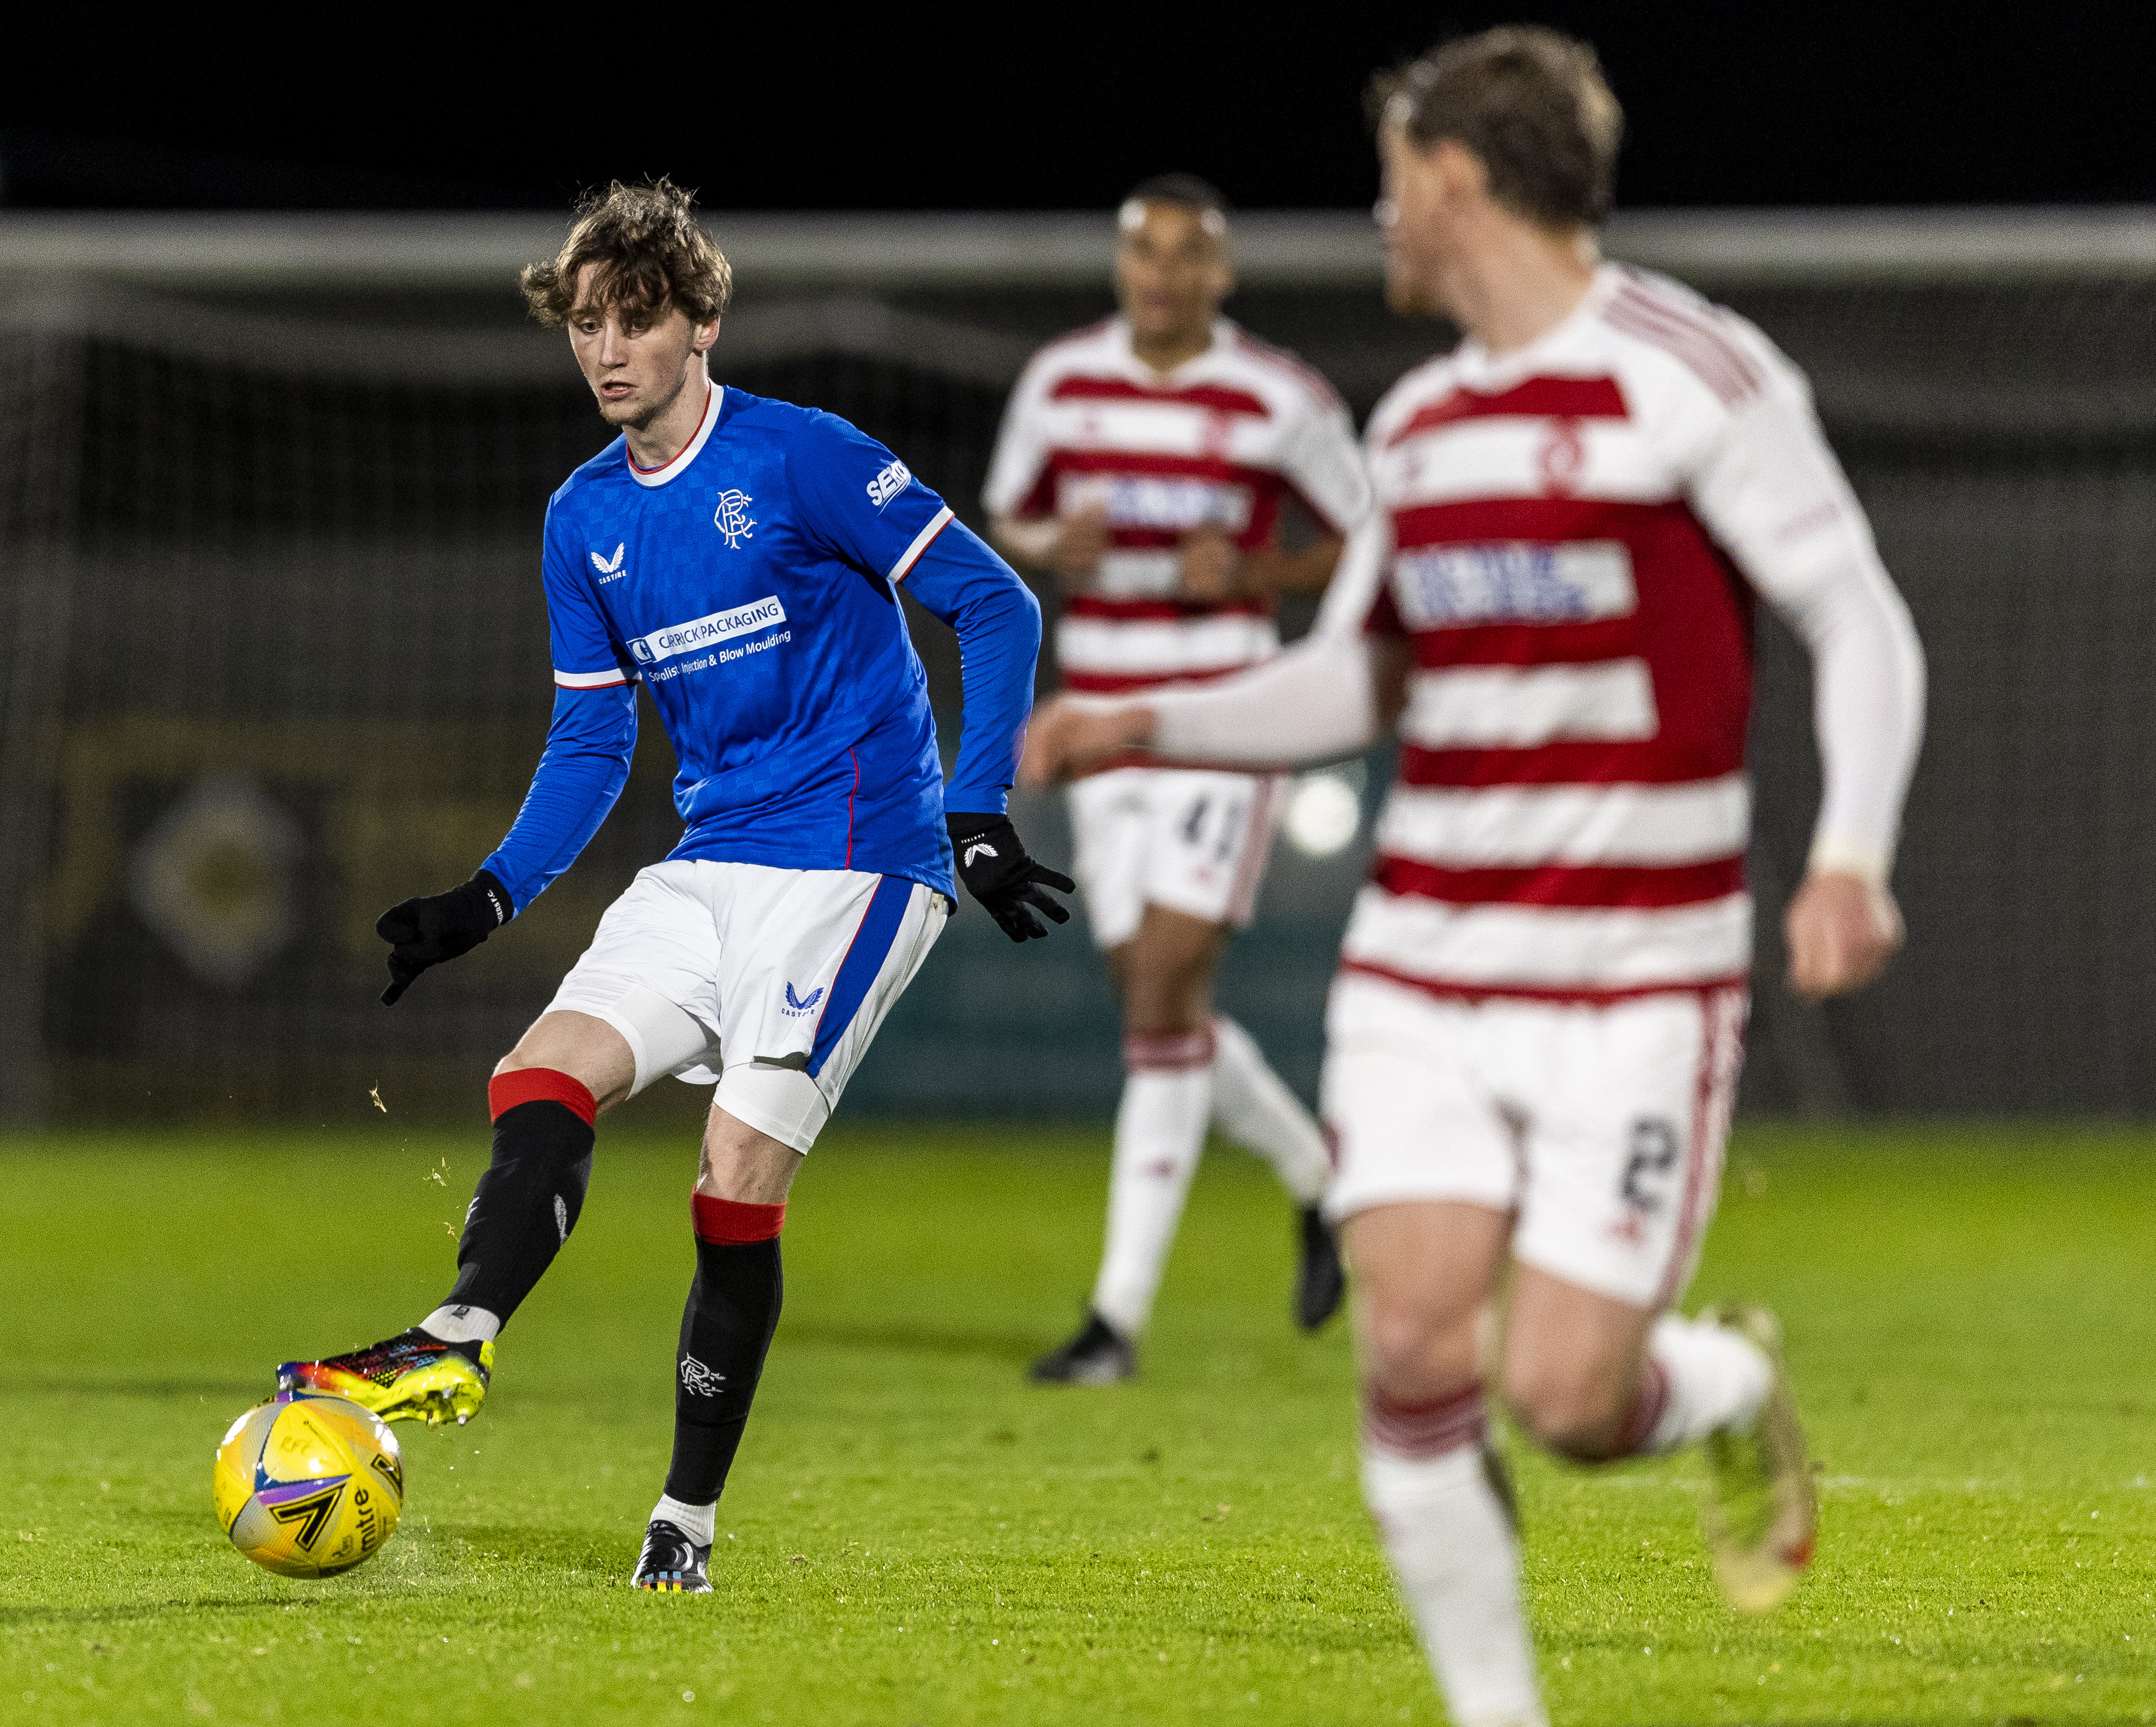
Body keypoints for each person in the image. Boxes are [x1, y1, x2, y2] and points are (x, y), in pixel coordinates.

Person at [1019, 29, 1924, 1725]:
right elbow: (1356, 683)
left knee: (1568, 1399)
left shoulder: (1685, 376)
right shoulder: (1420, 427)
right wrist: (1142, 721)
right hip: (1425, 968)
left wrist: (1849, 853)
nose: (1374, 217)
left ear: (1451, 178)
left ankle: (1721, 1382)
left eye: (1385, 181)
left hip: (1634, 980)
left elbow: (1852, 614)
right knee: (1416, 1352)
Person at [278, 180, 1071, 1595]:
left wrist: (977, 814)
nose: (606, 348)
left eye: (635, 318)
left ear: (701, 321)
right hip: (706, 863)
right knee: (540, 1074)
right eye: (585, 322)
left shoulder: (802, 457)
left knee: (734, 1176)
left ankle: (683, 1523)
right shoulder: (582, 516)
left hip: (852, 865)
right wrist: (491, 893)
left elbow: (994, 601)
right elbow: (593, 735)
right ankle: (459, 1333)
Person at [985, 175, 1374, 1383]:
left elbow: (1370, 541)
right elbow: (1008, 519)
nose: (1158, 273)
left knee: (1160, 992)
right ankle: (1320, 1177)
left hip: (1218, 722)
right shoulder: (1060, 382)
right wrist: (1056, 545)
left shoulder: (1279, 397)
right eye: (1140, 251)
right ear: (1121, 266)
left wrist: (1260, 569)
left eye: (1183, 255)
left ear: (1219, 274)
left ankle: (1113, 1320)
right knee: (1162, 1014)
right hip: (1102, 731)